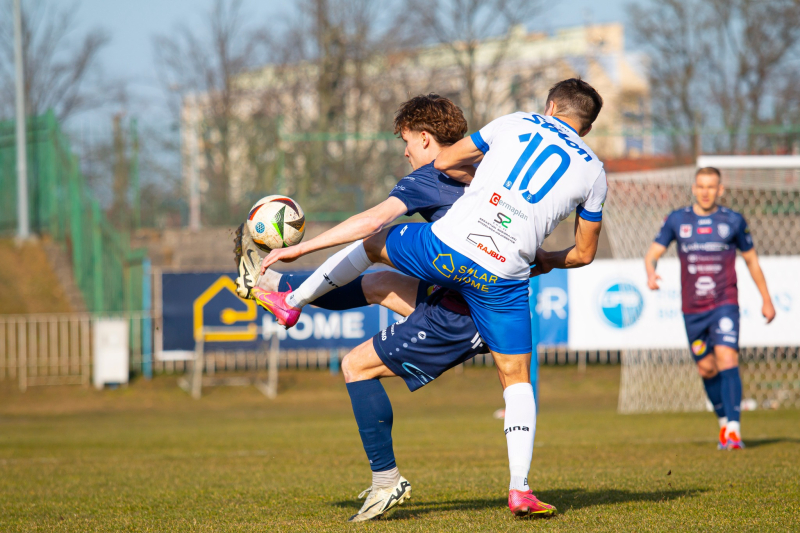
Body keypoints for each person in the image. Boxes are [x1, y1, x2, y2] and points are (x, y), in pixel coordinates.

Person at [256, 78, 607, 518]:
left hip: (454, 268)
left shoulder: (515, 125)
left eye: (406, 142)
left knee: (367, 289)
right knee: (514, 377)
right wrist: (545, 259)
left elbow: (433, 170)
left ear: (550, 106)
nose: (406, 152)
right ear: (586, 128)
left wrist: (299, 249)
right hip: (500, 281)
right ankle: (520, 489)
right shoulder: (594, 171)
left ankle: (291, 304)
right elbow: (584, 254)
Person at [644, 167, 775, 450]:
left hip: (724, 303)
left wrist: (766, 299)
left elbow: (751, 261)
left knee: (727, 358)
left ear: (720, 190)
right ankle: (724, 423)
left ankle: (734, 431)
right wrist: (651, 272)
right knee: (706, 368)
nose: (705, 192)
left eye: (711, 187)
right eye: (701, 186)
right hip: (692, 309)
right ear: (694, 188)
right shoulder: (677, 219)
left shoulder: (733, 220)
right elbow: (652, 254)